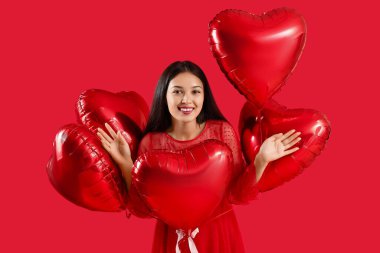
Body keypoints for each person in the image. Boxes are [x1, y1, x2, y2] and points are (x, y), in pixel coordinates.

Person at [96, 61, 301, 253]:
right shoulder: (151, 143)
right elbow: (143, 208)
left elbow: (237, 194)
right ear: (163, 96)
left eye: (195, 92)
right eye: (177, 92)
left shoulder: (222, 132)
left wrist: (261, 159)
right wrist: (124, 162)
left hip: (219, 232)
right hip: (171, 237)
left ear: (204, 97)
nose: (187, 100)